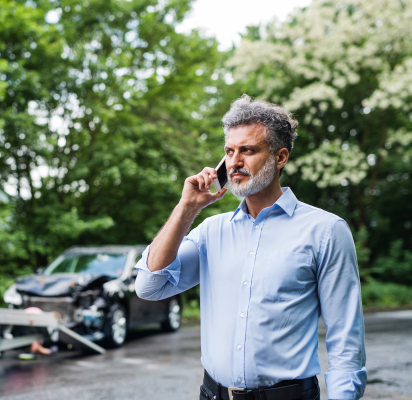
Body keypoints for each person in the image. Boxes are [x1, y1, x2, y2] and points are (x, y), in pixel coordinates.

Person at [135, 95, 366, 400]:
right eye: (229, 152)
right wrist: (187, 208)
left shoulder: (325, 230)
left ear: (280, 157)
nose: (234, 162)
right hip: (214, 394)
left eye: (248, 150)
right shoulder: (211, 232)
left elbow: (345, 337)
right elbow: (150, 286)